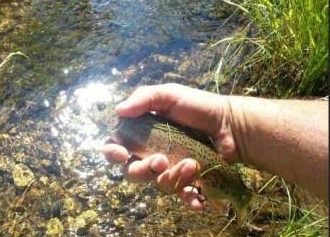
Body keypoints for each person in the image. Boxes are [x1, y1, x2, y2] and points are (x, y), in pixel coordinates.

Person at [101, 84, 329, 210]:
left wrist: (229, 121)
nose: (100, 112)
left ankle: (246, 203)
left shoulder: (123, 122)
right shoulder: (119, 131)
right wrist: (231, 121)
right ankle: (240, 202)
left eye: (102, 108)